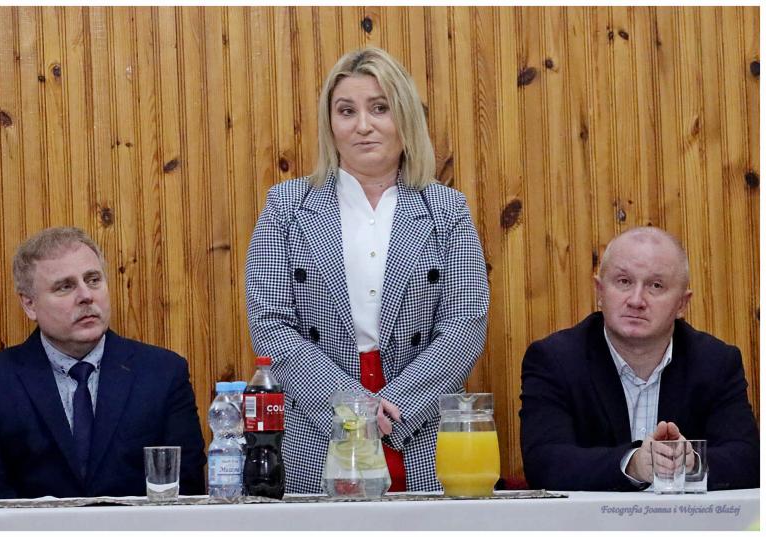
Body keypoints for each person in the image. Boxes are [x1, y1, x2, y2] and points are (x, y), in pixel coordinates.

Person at [245, 46, 489, 493]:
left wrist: (396, 404)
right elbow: (270, 323)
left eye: (379, 108)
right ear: (330, 124)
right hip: (317, 428)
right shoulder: (286, 206)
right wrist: (350, 407)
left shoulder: (447, 209)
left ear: (405, 117)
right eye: (346, 111)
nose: (363, 125)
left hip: (417, 425)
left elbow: (465, 324)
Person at [0, 226, 207, 500]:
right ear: (29, 305)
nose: (86, 295)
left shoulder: (162, 373)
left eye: (93, 280)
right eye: (65, 286)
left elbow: (185, 489)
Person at [519, 226, 759, 491]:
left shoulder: (715, 362)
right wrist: (632, 464)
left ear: (682, 304)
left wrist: (692, 464)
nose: (636, 300)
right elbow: (545, 463)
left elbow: (749, 460)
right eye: (624, 281)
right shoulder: (555, 360)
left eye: (656, 286)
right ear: (600, 291)